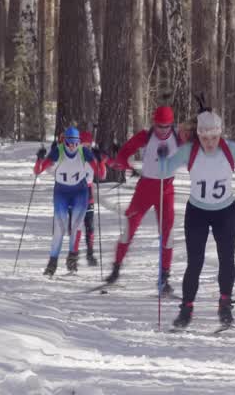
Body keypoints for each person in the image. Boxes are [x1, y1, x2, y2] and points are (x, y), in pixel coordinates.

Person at [147, 110, 235, 329]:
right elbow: (163, 172)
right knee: (195, 262)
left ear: (220, 134)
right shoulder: (189, 151)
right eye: (205, 137)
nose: (210, 142)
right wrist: (162, 158)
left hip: (226, 212)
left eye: (214, 137)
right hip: (197, 213)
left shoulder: (231, 150)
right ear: (198, 135)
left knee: (226, 259)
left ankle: (225, 304)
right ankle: (187, 308)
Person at [103, 105, 189, 294]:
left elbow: (200, 141)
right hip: (145, 188)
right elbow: (125, 152)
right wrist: (124, 163)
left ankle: (164, 279)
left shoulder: (178, 137)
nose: (162, 131)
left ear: (171, 125)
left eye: (166, 127)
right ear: (153, 123)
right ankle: (116, 269)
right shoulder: (146, 136)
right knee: (130, 227)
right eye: (159, 126)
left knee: (167, 234)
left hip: (166, 188)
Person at [34, 126, 105, 276]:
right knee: (59, 228)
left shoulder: (83, 152)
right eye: (69, 143)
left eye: (75, 142)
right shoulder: (58, 151)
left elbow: (101, 174)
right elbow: (38, 171)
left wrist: (100, 161)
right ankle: (52, 263)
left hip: (80, 192)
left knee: (76, 226)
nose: (72, 146)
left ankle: (72, 258)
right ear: (64, 141)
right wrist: (39, 159)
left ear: (78, 142)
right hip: (61, 192)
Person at [69, 130, 100, 269]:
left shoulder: (92, 157)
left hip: (88, 194)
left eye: (89, 146)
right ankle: (73, 257)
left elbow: (103, 170)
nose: (86, 149)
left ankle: (90, 253)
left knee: (90, 226)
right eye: (83, 146)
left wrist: (103, 158)